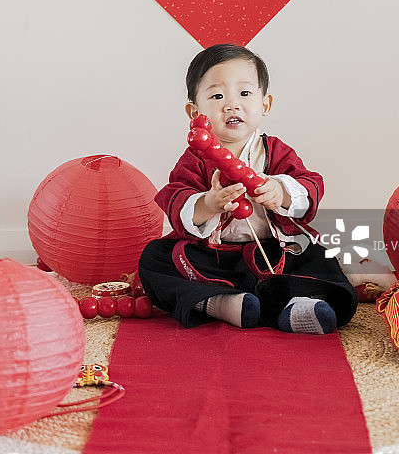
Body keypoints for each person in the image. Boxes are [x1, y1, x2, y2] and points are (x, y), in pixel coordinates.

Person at [138, 43, 357, 334]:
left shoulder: (275, 151)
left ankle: (302, 305)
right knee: (155, 258)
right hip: (215, 259)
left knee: (318, 257)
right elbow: (178, 197)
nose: (231, 105)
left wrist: (281, 191)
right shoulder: (195, 159)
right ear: (194, 112)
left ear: (264, 104)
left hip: (276, 251)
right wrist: (208, 204)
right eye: (217, 96)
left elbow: (309, 187)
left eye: (244, 93)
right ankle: (220, 303)